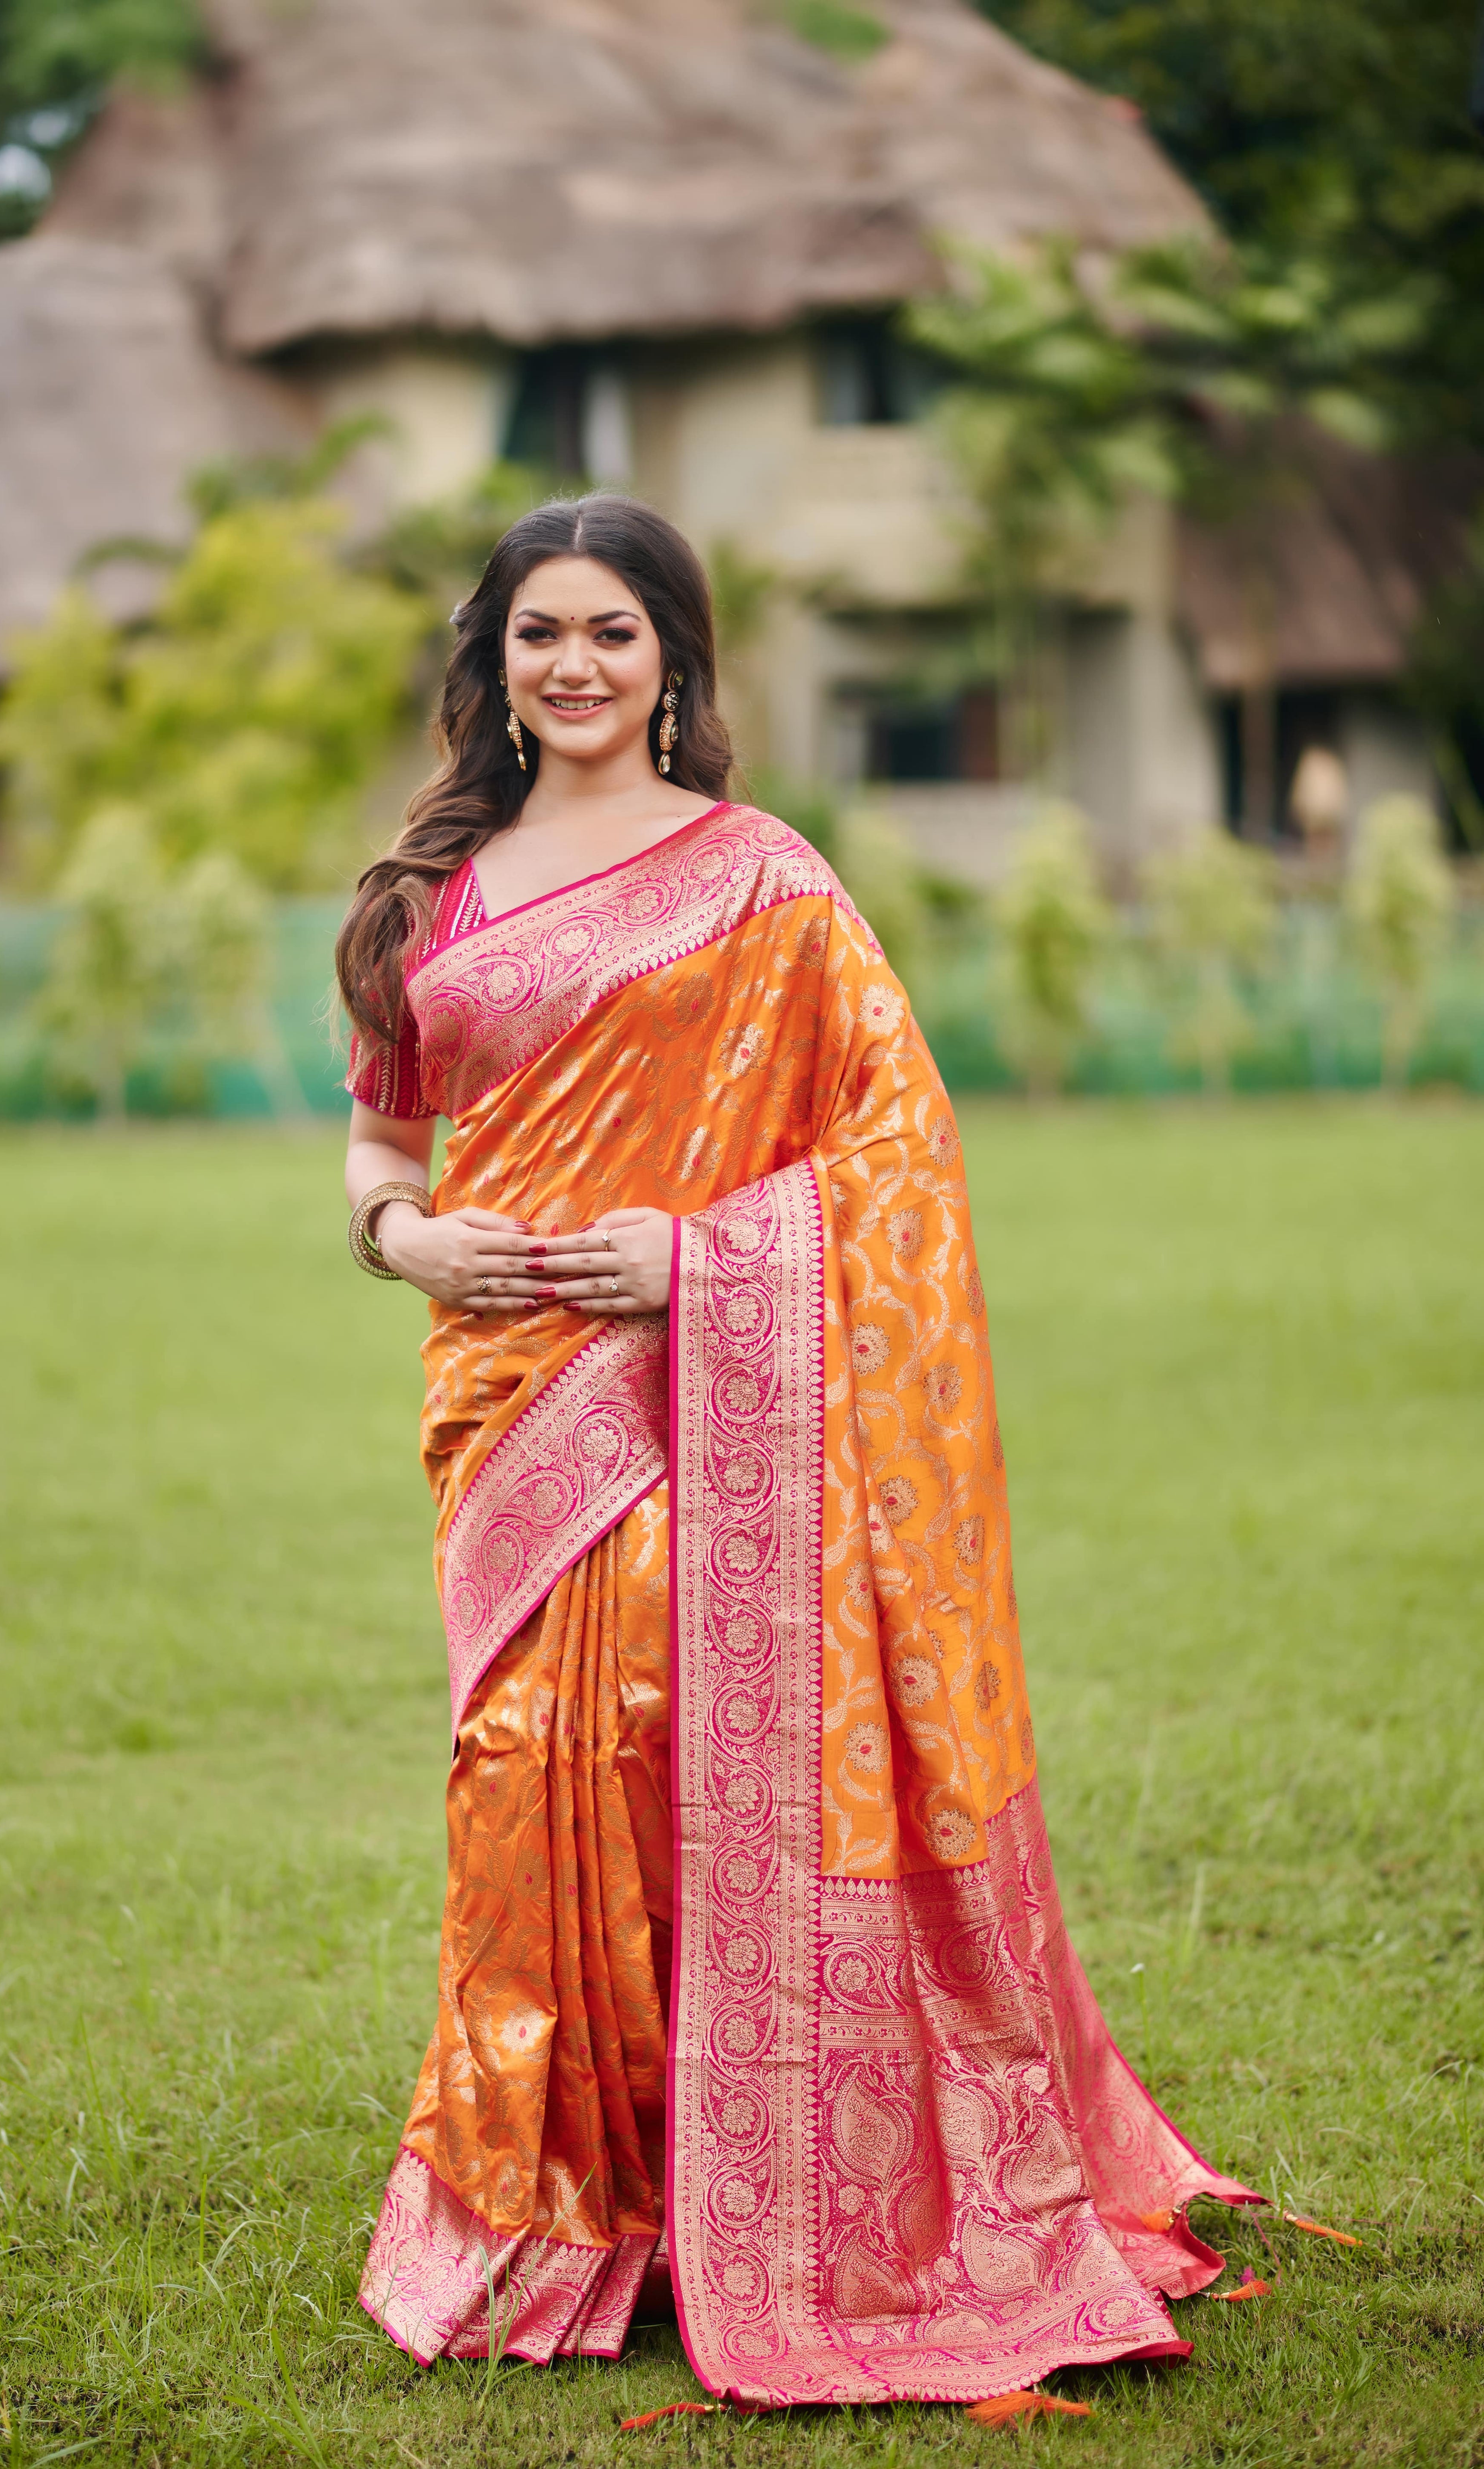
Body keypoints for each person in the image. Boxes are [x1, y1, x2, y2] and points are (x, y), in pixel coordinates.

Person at [335, 495, 1253, 2410]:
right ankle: (552, 2206)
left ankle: (737, 2196)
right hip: (507, 1397)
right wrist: (403, 1237)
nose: (574, 665)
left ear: (674, 658)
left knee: (681, 1749)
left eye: (612, 630)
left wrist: (695, 1261)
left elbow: (898, 1153)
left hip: (704, 1381)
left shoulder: (764, 880)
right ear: (492, 659)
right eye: (538, 632)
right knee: (524, 1782)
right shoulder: (433, 890)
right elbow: (384, 1141)